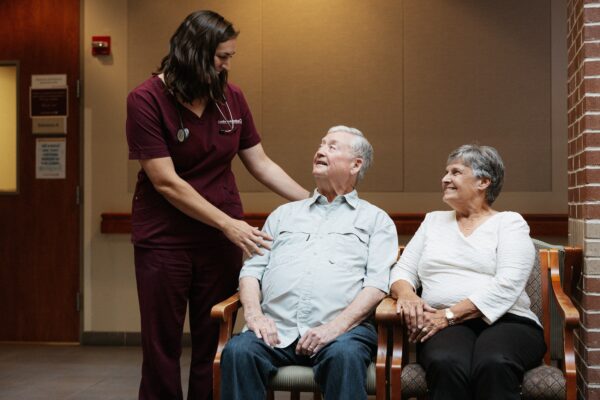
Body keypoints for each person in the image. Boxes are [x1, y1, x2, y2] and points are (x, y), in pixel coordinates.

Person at [125, 10, 309, 400]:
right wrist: (228, 223)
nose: (227, 65)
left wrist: (313, 202)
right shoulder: (145, 99)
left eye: (230, 57)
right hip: (165, 240)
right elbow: (166, 182)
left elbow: (261, 164)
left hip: (219, 241)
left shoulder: (231, 97)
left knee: (214, 340)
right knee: (163, 344)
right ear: (193, 53)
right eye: (221, 57)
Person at [220, 126, 398, 400]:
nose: (321, 150)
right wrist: (255, 315)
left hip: (343, 332)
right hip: (276, 328)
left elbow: (377, 286)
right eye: (321, 143)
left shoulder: (376, 220)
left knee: (345, 355)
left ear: (356, 164)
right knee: (239, 351)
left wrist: (333, 328)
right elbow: (252, 272)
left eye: (333, 146)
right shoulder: (283, 215)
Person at [389, 144, 546, 400]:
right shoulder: (433, 221)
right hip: (443, 325)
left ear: (483, 181)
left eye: (455, 172)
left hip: (508, 320)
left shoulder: (510, 223)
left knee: (494, 362)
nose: (445, 179)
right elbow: (403, 269)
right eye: (446, 172)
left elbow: (507, 283)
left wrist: (449, 315)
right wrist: (407, 294)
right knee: (447, 362)